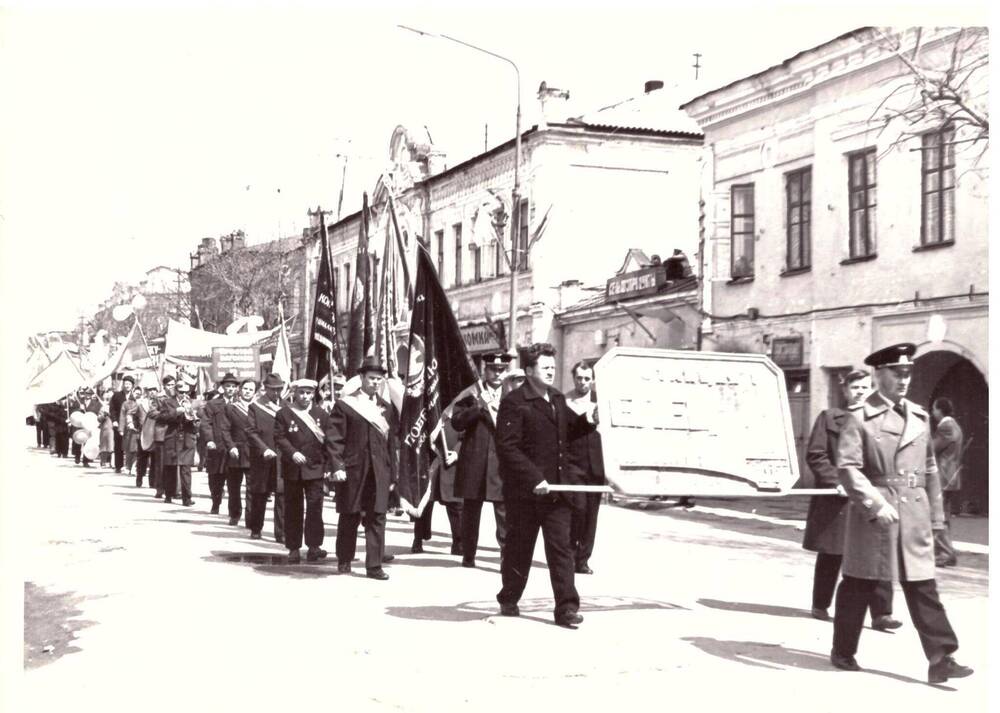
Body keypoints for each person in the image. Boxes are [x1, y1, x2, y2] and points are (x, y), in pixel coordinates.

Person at [830, 343, 973, 684]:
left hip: (914, 512)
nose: (904, 379)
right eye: (897, 372)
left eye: (908, 373)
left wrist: (937, 519)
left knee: (923, 586)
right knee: (860, 584)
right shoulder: (860, 418)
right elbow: (848, 468)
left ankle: (942, 657)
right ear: (879, 375)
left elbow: (929, 470)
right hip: (876, 511)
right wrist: (874, 504)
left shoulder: (919, 416)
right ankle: (843, 651)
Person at [495, 342, 597, 628]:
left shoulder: (556, 398)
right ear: (529, 370)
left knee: (561, 548)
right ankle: (509, 596)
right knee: (519, 548)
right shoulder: (514, 403)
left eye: (554, 366)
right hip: (526, 494)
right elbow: (508, 448)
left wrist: (588, 421)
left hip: (557, 492)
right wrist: (533, 478)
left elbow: (568, 431)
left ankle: (566, 608)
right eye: (545, 367)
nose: (551, 371)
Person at [802, 370, 899, 629]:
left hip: (871, 496)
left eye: (866, 387)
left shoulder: (882, 421)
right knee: (833, 552)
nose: (860, 391)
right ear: (846, 391)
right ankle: (820, 604)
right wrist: (838, 481)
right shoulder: (830, 418)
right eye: (855, 387)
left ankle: (882, 614)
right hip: (838, 498)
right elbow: (816, 455)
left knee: (878, 552)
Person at [327, 356, 399, 580]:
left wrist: (393, 475)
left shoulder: (386, 408)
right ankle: (345, 558)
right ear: (361, 377)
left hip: (379, 472)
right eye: (371, 378)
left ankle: (374, 566)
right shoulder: (346, 405)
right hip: (353, 470)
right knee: (350, 514)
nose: (375, 382)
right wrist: (337, 465)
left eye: (379, 379)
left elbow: (392, 444)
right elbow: (334, 439)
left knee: (377, 516)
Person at [451, 353, 510, 568]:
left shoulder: (512, 396)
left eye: (501, 369)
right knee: (471, 511)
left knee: (504, 513)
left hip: (501, 463)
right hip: (474, 460)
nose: (497, 373)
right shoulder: (472, 394)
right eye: (493, 369)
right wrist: (478, 408)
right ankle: (468, 554)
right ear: (485, 370)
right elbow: (456, 422)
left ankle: (506, 556)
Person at [274, 378, 330, 564]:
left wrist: (328, 466)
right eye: (301, 393)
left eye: (309, 393)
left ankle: (314, 546)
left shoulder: (321, 414)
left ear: (314, 394)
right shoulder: (284, 413)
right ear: (294, 393)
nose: (305, 396)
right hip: (294, 469)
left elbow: (329, 442)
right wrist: (292, 453)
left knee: (315, 509)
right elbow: (279, 437)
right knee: (293, 509)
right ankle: (293, 548)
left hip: (315, 468)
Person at [565, 362, 605, 575]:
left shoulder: (602, 400)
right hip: (574, 465)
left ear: (593, 379)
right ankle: (570, 556)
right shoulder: (565, 402)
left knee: (592, 514)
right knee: (578, 510)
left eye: (587, 378)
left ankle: (583, 560)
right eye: (579, 378)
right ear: (574, 378)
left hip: (597, 466)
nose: (583, 382)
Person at [246, 373, 286, 542]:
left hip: (282, 457)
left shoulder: (287, 407)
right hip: (262, 457)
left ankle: (281, 532)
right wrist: (264, 449)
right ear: (265, 389)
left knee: (282, 494)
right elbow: (251, 431)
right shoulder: (256, 407)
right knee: (259, 493)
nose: (276, 393)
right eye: (273, 390)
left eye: (279, 390)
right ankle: (256, 528)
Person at [152, 374, 198, 505]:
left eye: (185, 392)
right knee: (170, 468)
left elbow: (197, 418)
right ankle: (168, 494)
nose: (183, 394)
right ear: (176, 390)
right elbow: (161, 417)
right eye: (180, 391)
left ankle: (187, 498)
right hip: (172, 437)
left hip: (187, 438)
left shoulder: (191, 402)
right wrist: (176, 412)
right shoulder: (168, 402)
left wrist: (194, 420)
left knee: (186, 469)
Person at [931, 397, 964, 568]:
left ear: (940, 409)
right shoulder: (954, 425)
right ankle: (946, 551)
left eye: (934, 409)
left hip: (942, 477)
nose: (932, 412)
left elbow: (932, 448)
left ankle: (944, 553)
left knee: (938, 516)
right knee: (944, 515)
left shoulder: (946, 426)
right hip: (949, 477)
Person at [220, 379, 256, 526]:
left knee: (252, 487)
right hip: (236, 451)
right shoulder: (231, 408)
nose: (247, 392)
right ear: (240, 390)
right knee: (233, 486)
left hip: (253, 452)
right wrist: (231, 447)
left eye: (251, 390)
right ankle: (234, 514)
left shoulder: (258, 408)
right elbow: (225, 430)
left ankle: (251, 518)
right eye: (245, 389)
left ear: (255, 392)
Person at [202, 374, 239, 515]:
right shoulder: (213, 404)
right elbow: (206, 423)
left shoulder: (240, 404)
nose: (230, 389)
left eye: (233, 387)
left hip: (233, 447)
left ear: (237, 389)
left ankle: (233, 511)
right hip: (217, 446)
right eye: (228, 386)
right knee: (215, 478)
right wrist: (209, 440)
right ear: (223, 387)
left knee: (233, 479)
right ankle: (215, 502)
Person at [110, 374, 135, 473]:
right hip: (119, 423)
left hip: (132, 423)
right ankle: (118, 466)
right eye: (125, 384)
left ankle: (130, 466)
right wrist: (114, 420)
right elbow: (112, 409)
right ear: (123, 384)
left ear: (132, 385)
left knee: (131, 444)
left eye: (129, 384)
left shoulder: (135, 396)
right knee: (118, 444)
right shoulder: (117, 395)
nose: (127, 386)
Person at [119, 386, 141, 478]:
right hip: (129, 429)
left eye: (139, 393)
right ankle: (128, 466)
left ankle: (134, 467)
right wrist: (121, 428)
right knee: (128, 449)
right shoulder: (126, 403)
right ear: (132, 393)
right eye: (136, 393)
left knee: (136, 449)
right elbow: (122, 416)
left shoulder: (143, 403)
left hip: (139, 429)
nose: (138, 395)